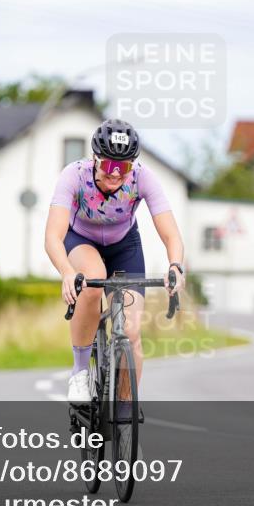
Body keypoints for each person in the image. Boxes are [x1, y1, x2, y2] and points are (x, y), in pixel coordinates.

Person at [44, 118, 186, 403]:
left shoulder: (142, 178)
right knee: (93, 279)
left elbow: (172, 234)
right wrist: (67, 271)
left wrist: (175, 266)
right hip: (81, 239)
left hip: (124, 245)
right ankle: (80, 372)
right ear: (95, 158)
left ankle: (124, 416)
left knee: (131, 332)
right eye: (110, 165)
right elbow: (52, 236)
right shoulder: (73, 175)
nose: (116, 174)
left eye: (124, 167)